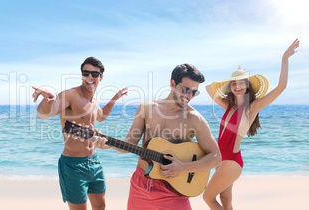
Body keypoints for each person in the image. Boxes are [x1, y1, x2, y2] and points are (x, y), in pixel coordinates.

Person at [93, 63, 221, 210]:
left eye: (194, 92)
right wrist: (108, 143)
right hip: (140, 185)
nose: (189, 96)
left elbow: (216, 157)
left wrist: (183, 167)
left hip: (174, 190)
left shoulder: (194, 119)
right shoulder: (147, 108)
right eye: (185, 89)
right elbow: (129, 144)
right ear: (172, 83)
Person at [203, 38, 300, 210]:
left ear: (248, 86)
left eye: (241, 82)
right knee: (226, 202)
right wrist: (233, 76)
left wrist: (285, 58)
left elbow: (281, 87)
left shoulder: (252, 107)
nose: (237, 86)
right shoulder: (227, 106)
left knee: (208, 198)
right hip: (221, 160)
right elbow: (208, 88)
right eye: (234, 84)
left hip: (231, 162)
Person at [32, 56, 128, 210]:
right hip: (73, 165)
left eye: (94, 74)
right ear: (82, 75)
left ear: (101, 77)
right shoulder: (70, 95)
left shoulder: (94, 101)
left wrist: (115, 98)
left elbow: (101, 116)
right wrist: (49, 100)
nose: (90, 77)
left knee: (100, 206)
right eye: (86, 73)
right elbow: (45, 114)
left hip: (94, 161)